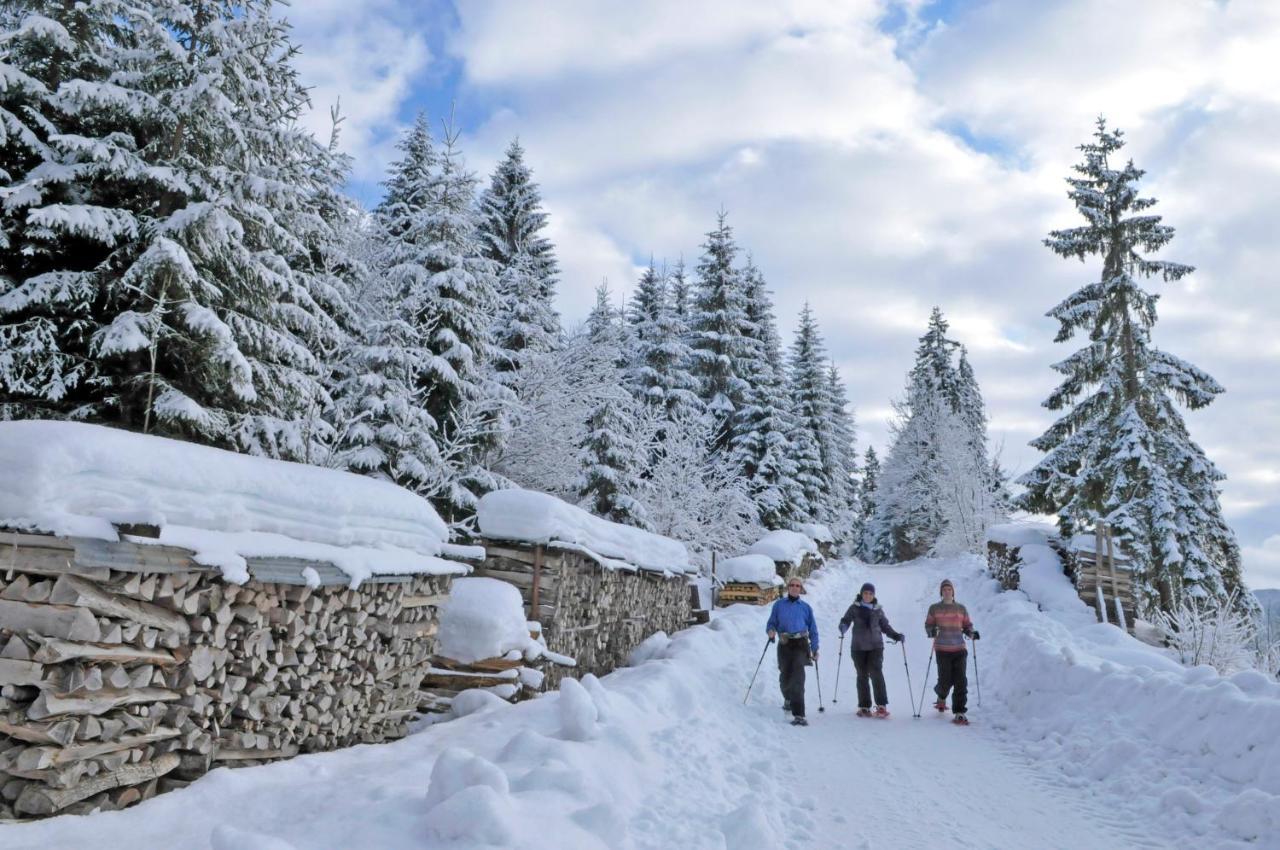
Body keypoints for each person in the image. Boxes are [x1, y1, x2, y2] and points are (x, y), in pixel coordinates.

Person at [838, 581, 904, 718]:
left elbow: (885, 626)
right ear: (861, 594)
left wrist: (896, 635)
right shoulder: (854, 608)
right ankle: (864, 706)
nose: (867, 595)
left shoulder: (877, 610)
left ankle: (881, 705)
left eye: (870, 593)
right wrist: (843, 626)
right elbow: (846, 620)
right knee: (862, 675)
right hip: (858, 648)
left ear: (873, 595)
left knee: (876, 673)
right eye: (865, 593)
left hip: (876, 647)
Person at [924, 578, 979, 725]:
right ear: (941, 592)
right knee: (945, 680)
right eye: (944, 590)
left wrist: (972, 633)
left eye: (949, 589)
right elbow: (928, 626)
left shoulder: (961, 608)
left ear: (953, 592)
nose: (947, 592)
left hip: (959, 648)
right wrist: (932, 631)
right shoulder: (934, 608)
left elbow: (967, 625)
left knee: (961, 681)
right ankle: (941, 696)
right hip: (942, 649)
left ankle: (959, 712)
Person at [766, 576, 820, 726]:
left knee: (798, 677)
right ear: (788, 587)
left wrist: (815, 648)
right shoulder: (778, 605)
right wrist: (770, 631)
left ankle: (799, 714)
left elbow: (813, 630)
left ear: (801, 589)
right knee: (784, 676)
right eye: (792, 585)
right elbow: (772, 623)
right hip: (784, 643)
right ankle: (788, 698)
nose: (795, 587)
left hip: (801, 644)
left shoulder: (806, 608)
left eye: (798, 585)